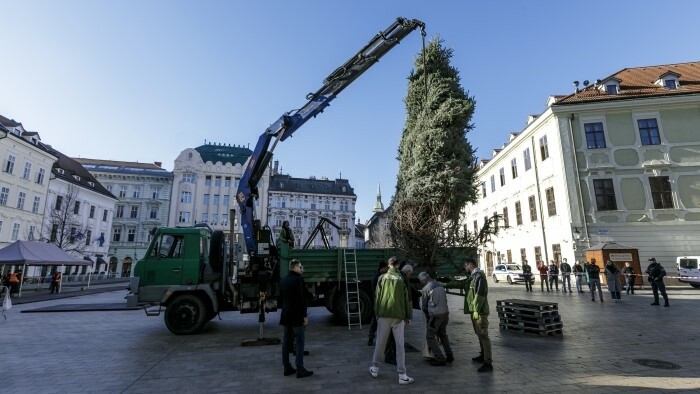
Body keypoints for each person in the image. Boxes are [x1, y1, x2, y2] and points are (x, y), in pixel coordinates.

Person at [370, 256, 414, 385]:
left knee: (380, 342)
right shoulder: (402, 279)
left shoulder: (381, 278)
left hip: (383, 314)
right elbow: (407, 299)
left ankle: (375, 368)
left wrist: (377, 314)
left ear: (389, 265)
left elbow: (377, 298)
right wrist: (408, 316)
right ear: (398, 266)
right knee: (400, 345)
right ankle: (402, 375)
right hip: (399, 316)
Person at [280, 259, 313, 378]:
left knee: (286, 342)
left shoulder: (284, 280)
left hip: (285, 315)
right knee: (299, 342)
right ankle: (300, 369)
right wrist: (304, 316)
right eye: (300, 267)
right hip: (297, 316)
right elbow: (301, 300)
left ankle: (286, 367)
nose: (301, 268)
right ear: (294, 268)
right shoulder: (298, 280)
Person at [463, 257, 493, 373]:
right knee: (479, 335)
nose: (465, 268)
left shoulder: (479, 277)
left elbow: (480, 295)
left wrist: (476, 310)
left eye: (466, 266)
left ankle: (488, 363)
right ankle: (483, 356)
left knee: (484, 336)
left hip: (480, 313)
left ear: (470, 265)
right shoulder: (473, 277)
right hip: (475, 312)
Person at [418, 272, 453, 366]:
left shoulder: (425, 289)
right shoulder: (440, 285)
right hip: (445, 314)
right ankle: (449, 355)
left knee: (429, 336)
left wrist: (428, 318)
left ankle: (440, 358)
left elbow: (424, 307)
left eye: (421, 281)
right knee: (443, 335)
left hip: (435, 316)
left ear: (423, 280)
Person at [368, 261, 389, 346]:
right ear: (382, 268)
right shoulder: (377, 278)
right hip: (378, 302)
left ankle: (372, 338)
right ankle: (371, 338)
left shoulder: (377, 276)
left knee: (376, 322)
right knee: (376, 321)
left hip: (378, 302)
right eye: (386, 268)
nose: (387, 269)